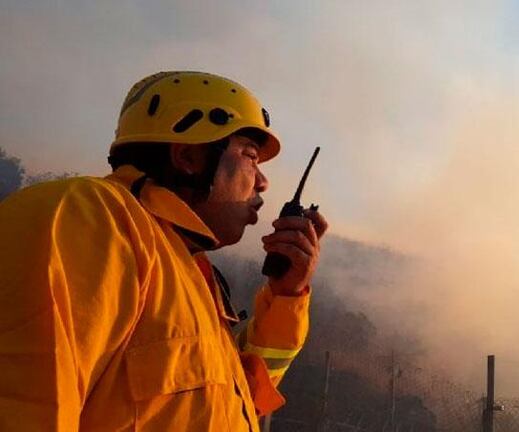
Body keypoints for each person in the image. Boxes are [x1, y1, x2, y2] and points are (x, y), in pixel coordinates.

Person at [0, 71, 327, 431]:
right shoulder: (90, 218)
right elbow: (24, 403)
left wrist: (287, 296)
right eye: (250, 156)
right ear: (188, 157)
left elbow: (234, 404)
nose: (263, 181)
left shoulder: (190, 275)